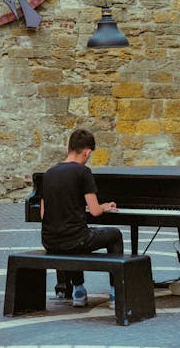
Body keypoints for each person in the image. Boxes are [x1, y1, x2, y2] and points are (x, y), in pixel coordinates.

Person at [40, 128, 123, 308]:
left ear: (68, 148)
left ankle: (78, 290)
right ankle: (116, 293)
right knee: (114, 235)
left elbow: (43, 213)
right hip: (75, 240)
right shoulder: (83, 172)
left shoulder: (49, 173)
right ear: (87, 152)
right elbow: (94, 211)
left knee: (73, 235)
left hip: (49, 241)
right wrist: (106, 206)